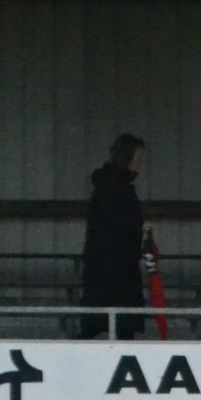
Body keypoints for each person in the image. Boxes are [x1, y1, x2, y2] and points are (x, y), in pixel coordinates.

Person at [78, 133, 148, 340]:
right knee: (116, 324)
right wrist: (139, 229)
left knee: (109, 324)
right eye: (137, 157)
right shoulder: (114, 189)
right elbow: (115, 224)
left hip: (113, 267)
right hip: (113, 268)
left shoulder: (108, 186)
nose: (139, 163)